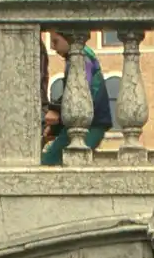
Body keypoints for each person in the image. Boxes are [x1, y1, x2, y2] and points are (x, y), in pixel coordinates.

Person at [41, 31, 112, 165]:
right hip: (89, 124)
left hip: (92, 124)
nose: (52, 47)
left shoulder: (82, 58)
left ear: (68, 37)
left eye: (55, 41)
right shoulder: (80, 57)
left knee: (50, 162)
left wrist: (56, 110)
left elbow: (81, 92)